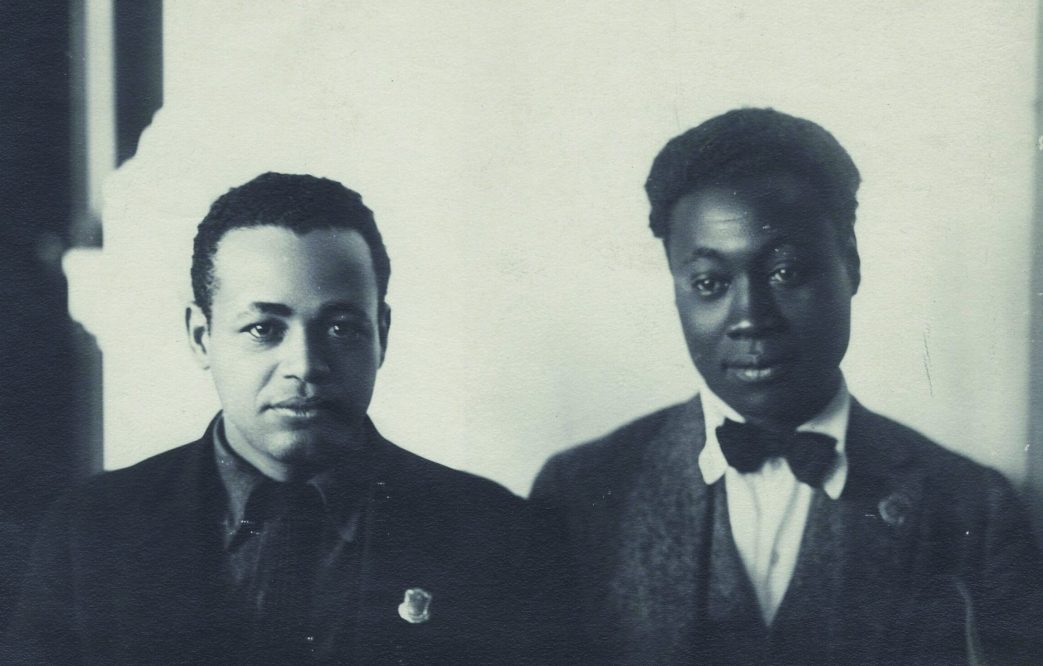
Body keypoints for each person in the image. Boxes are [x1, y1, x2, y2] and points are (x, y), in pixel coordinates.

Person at [531, 108, 1043, 664]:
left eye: (786, 272)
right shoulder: (579, 493)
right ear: (676, 287)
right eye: (710, 282)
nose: (751, 318)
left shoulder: (972, 508)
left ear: (850, 265)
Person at [7, 173, 546, 664]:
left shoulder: (496, 536)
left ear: (382, 334)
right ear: (201, 337)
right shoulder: (91, 533)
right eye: (264, 329)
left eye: (341, 327)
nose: (305, 366)